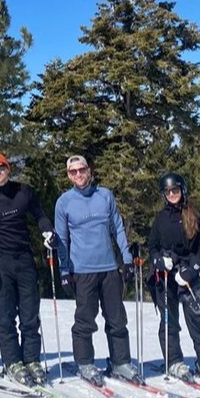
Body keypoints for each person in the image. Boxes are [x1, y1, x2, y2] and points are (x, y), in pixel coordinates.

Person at [0, 152, 57, 386]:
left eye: (1, 167)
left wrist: (48, 231)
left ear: (8, 168)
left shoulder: (23, 192)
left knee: (30, 313)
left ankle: (32, 359)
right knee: (6, 315)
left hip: (24, 258)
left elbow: (40, 215)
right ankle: (12, 361)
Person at [55, 154, 137, 386]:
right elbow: (61, 238)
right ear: (69, 176)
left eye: (82, 170)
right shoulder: (64, 202)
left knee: (117, 318)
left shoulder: (105, 196)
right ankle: (85, 363)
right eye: (73, 172)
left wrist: (127, 260)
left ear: (89, 171)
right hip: (82, 270)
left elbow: (118, 229)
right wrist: (63, 271)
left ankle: (120, 362)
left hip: (109, 268)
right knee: (85, 319)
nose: (78, 175)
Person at [147, 172, 200, 382]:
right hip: (166, 274)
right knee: (169, 320)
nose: (172, 194)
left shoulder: (196, 215)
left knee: (197, 317)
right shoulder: (160, 219)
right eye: (168, 192)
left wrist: (191, 271)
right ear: (163, 195)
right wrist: (159, 260)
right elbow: (153, 246)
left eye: (175, 190)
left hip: (189, 274)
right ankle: (173, 361)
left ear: (182, 190)